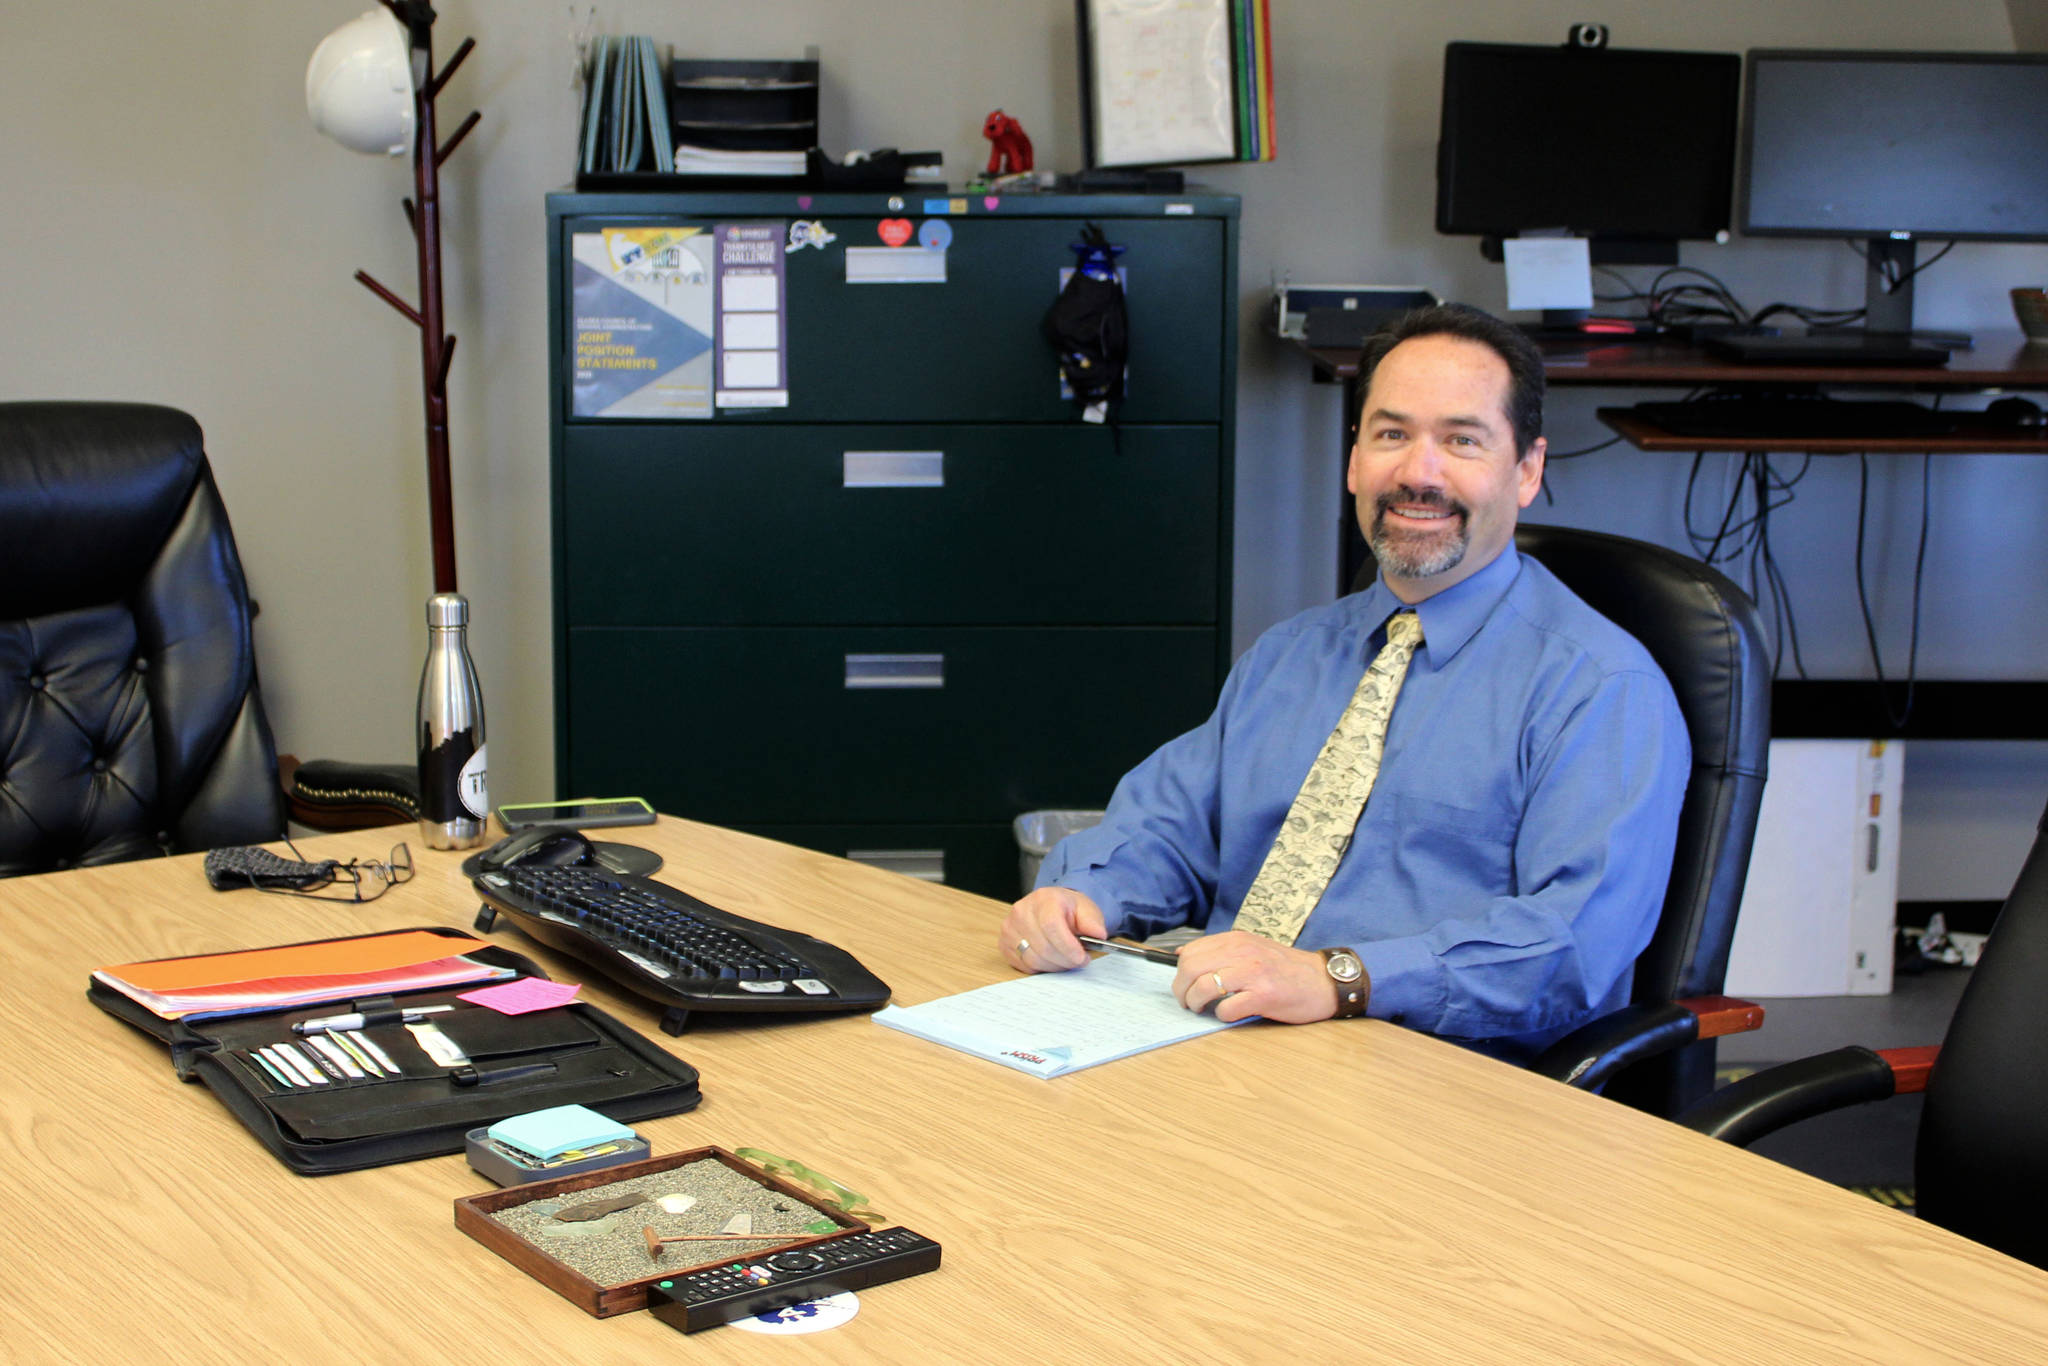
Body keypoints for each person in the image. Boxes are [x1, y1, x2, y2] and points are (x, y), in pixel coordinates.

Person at [999, 304, 1690, 1061]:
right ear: (1355, 460)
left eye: (1461, 440)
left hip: (1439, 1085)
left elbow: (1573, 942)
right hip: (1224, 1043)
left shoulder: (1600, 688)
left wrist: (1340, 979)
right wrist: (1086, 897)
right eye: (1391, 435)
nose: (1418, 473)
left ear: (1527, 470)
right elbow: (1172, 829)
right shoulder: (1292, 654)